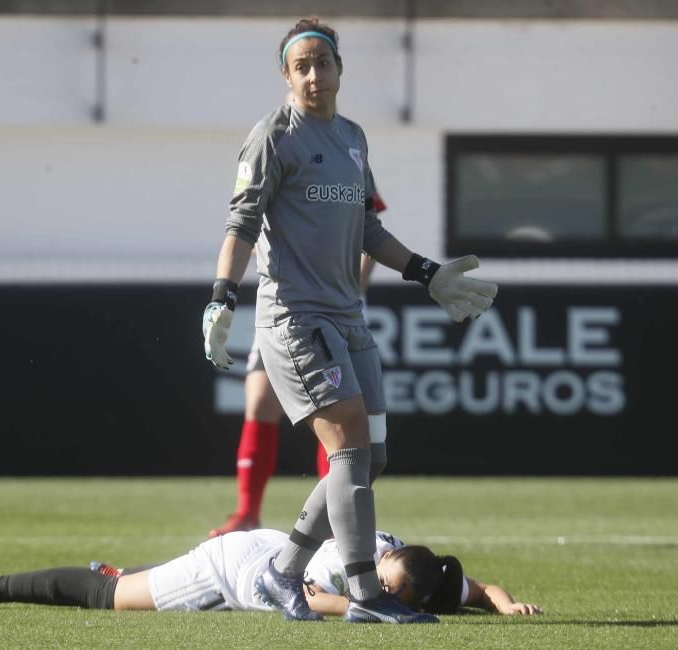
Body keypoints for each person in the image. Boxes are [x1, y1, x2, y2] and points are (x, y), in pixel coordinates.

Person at [201, 17, 498, 624]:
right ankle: (364, 592)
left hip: (347, 316)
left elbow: (369, 230)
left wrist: (426, 272)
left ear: (340, 69)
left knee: (373, 455)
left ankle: (283, 573)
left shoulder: (355, 138)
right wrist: (221, 298)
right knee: (349, 451)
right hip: (295, 318)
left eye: (322, 63)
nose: (314, 74)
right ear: (286, 76)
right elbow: (240, 227)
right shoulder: (271, 138)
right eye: (301, 66)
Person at [0, 528, 542, 618]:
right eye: (388, 584)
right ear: (382, 561)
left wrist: (506, 606)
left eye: (395, 591)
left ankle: (132, 569)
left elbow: (480, 589)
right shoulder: (347, 565)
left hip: (269, 547)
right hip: (235, 569)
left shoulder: (418, 570)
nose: (388, 591)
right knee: (109, 598)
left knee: (128, 579)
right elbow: (313, 597)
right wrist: (374, 608)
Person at [209, 234, 384, 539]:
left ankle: (335, 516)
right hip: (278, 312)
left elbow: (369, 234)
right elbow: (245, 232)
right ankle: (247, 513)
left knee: (334, 410)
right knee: (260, 402)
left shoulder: (348, 183)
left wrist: (345, 293)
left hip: (335, 313)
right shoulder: (264, 186)